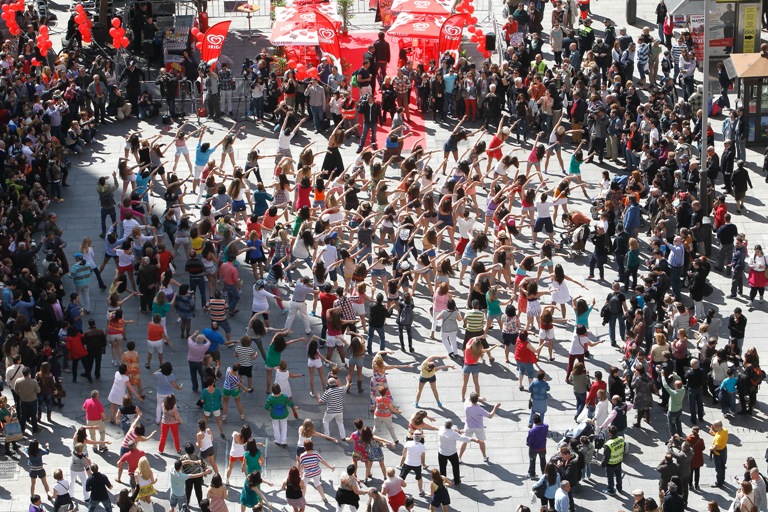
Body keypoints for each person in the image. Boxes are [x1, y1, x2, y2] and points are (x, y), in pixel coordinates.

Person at [458, 392, 501, 463]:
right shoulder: (479, 409)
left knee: (464, 441)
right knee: (481, 442)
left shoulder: (466, 405)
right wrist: (495, 407)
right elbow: (490, 416)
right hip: (479, 428)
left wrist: (479, 398)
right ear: (477, 400)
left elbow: (468, 399)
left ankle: (459, 457)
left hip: (468, 427)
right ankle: (484, 457)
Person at [602, 425, 625, 494]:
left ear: (610, 433)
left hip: (610, 464)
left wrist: (603, 464)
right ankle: (619, 487)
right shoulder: (621, 438)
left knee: (610, 478)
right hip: (619, 461)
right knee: (618, 476)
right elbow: (623, 449)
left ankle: (611, 490)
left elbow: (606, 457)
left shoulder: (608, 444)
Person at [526, 413, 548, 478]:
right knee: (543, 461)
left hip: (533, 448)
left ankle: (532, 473)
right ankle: (544, 474)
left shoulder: (532, 431)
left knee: (532, 460)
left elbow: (529, 441)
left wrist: (528, 444)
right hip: (542, 447)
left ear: (534, 422)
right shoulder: (546, 426)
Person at [710, 420, 729, 487]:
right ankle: (722, 479)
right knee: (722, 466)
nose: (712, 427)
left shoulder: (718, 437)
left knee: (718, 468)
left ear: (718, 426)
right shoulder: (725, 430)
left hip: (718, 454)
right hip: (724, 450)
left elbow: (716, 446)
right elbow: (720, 436)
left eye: (714, 426)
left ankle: (719, 482)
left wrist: (711, 448)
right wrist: (714, 434)